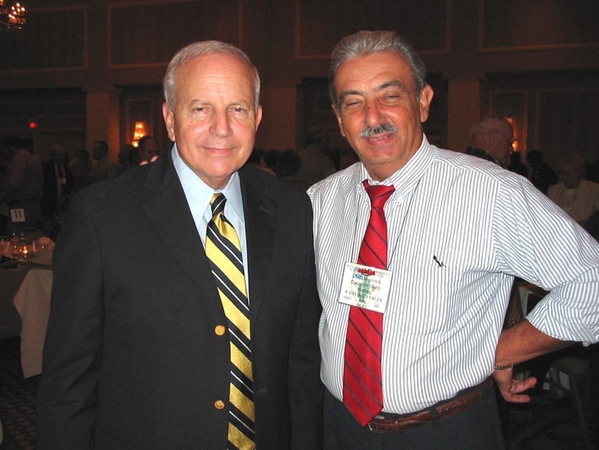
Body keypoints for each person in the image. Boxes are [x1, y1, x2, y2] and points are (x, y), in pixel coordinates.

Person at [307, 30, 599, 450]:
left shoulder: (491, 193)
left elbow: (590, 283)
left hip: (446, 432)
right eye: (354, 102)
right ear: (338, 118)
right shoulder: (320, 200)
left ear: (423, 101)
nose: (373, 117)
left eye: (390, 96)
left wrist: (502, 350)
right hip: (338, 427)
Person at [36, 40, 324, 450]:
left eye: (238, 109)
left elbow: (301, 367)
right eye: (201, 108)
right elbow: (68, 384)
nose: (221, 127)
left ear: (258, 118)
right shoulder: (102, 217)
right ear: (170, 120)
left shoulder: (293, 210)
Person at [0, 136, 43, 233]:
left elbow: (15, 182)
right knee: (28, 233)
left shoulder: (19, 158)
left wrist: (3, 194)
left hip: (20, 205)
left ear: (10, 147)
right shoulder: (33, 158)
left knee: (17, 233)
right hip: (33, 204)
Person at [547, 152, 599, 226]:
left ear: (577, 172)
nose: (561, 176)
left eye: (565, 173)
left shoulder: (594, 189)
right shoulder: (553, 190)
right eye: (559, 172)